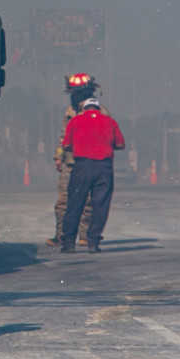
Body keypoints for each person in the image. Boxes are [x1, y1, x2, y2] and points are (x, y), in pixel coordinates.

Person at [46, 73, 109, 247]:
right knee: (63, 201)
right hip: (71, 162)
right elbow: (63, 136)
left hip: (90, 162)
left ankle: (85, 235)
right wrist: (59, 157)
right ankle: (62, 235)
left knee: (88, 202)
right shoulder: (70, 111)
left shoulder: (100, 112)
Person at [60, 97, 125, 253]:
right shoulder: (110, 121)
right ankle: (93, 242)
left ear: (84, 109)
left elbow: (66, 144)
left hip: (82, 166)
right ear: (98, 109)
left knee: (75, 203)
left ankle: (69, 243)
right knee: (101, 205)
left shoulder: (75, 121)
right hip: (104, 167)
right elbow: (120, 144)